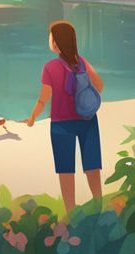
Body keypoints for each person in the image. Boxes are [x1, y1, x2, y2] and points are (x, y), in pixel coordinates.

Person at [24, 20, 104, 214]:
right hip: (87, 120)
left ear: (56, 42)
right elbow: (99, 86)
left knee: (66, 170)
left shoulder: (50, 67)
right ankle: (98, 205)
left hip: (62, 124)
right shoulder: (82, 62)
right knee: (92, 166)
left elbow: (44, 99)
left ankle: (71, 211)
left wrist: (32, 117)